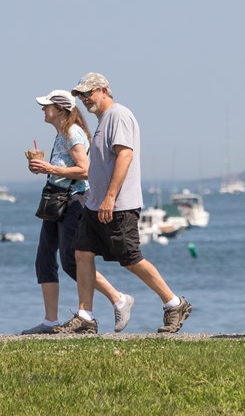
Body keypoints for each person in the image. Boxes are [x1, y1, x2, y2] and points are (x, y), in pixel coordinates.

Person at [64, 73, 192, 334]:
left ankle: (174, 303)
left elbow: (125, 156)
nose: (85, 99)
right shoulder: (103, 120)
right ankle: (85, 316)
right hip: (95, 204)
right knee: (82, 253)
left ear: (104, 90)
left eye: (89, 93)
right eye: (81, 95)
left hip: (119, 204)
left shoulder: (118, 115)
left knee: (130, 258)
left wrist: (110, 197)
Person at [20, 89, 133, 335]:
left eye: (47, 105)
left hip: (73, 202)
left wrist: (50, 168)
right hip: (55, 201)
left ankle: (118, 298)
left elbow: (85, 170)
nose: (43, 109)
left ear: (60, 109)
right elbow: (64, 168)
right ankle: (51, 321)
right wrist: (44, 170)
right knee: (44, 259)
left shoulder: (73, 133)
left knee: (71, 263)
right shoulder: (61, 134)